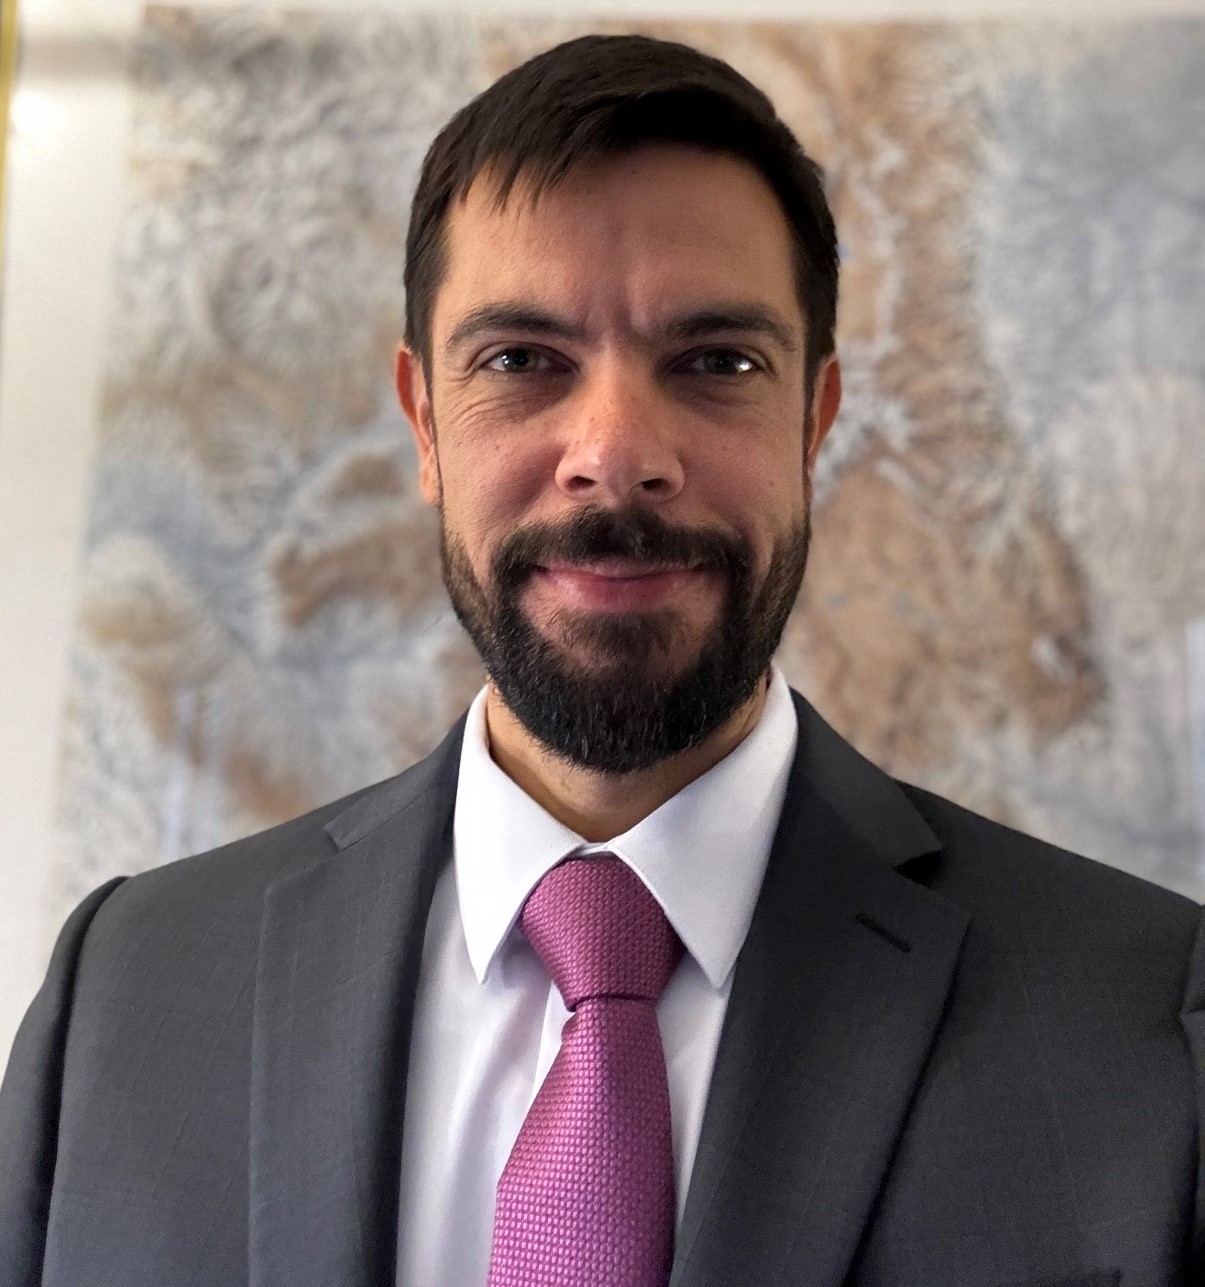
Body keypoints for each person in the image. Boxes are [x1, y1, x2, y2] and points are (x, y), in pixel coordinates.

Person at [1, 31, 1201, 1287]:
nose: (617, 450)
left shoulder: (1139, 1021)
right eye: (521, 361)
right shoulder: (127, 995)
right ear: (422, 422)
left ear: (815, 420)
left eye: (715, 362)